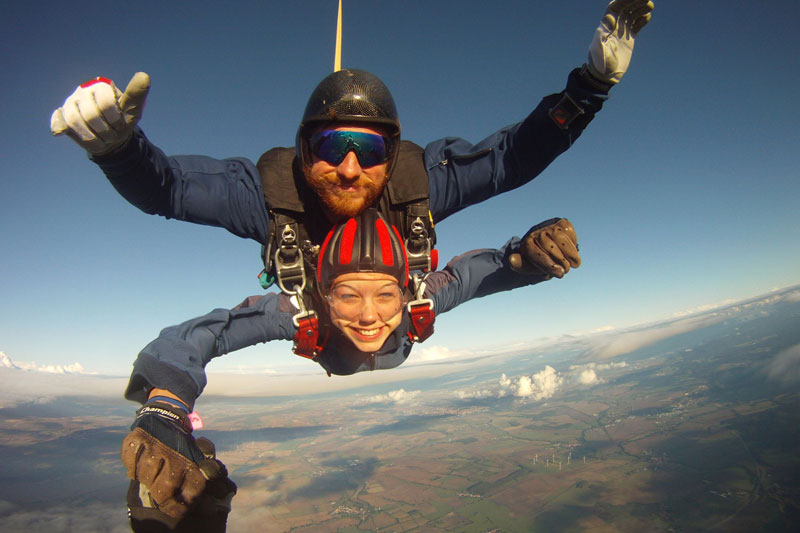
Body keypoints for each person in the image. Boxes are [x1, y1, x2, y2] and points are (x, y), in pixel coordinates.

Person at [49, 0, 653, 294]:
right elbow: (170, 191)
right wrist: (121, 152)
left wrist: (590, 88)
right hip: (316, 314)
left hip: (396, 314)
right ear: (302, 148)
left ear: (391, 158)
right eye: (331, 143)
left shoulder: (416, 182)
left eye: (367, 149)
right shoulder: (268, 196)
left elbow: (512, 159)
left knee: (455, 287)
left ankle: (514, 258)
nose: (347, 166)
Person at [121, 210, 581, 526]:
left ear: (404, 291)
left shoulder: (419, 301)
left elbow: (471, 276)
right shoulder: (301, 313)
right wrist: (165, 403)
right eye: (347, 295)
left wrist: (523, 258)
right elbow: (203, 333)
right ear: (324, 295)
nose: (367, 316)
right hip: (328, 341)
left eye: (385, 295)